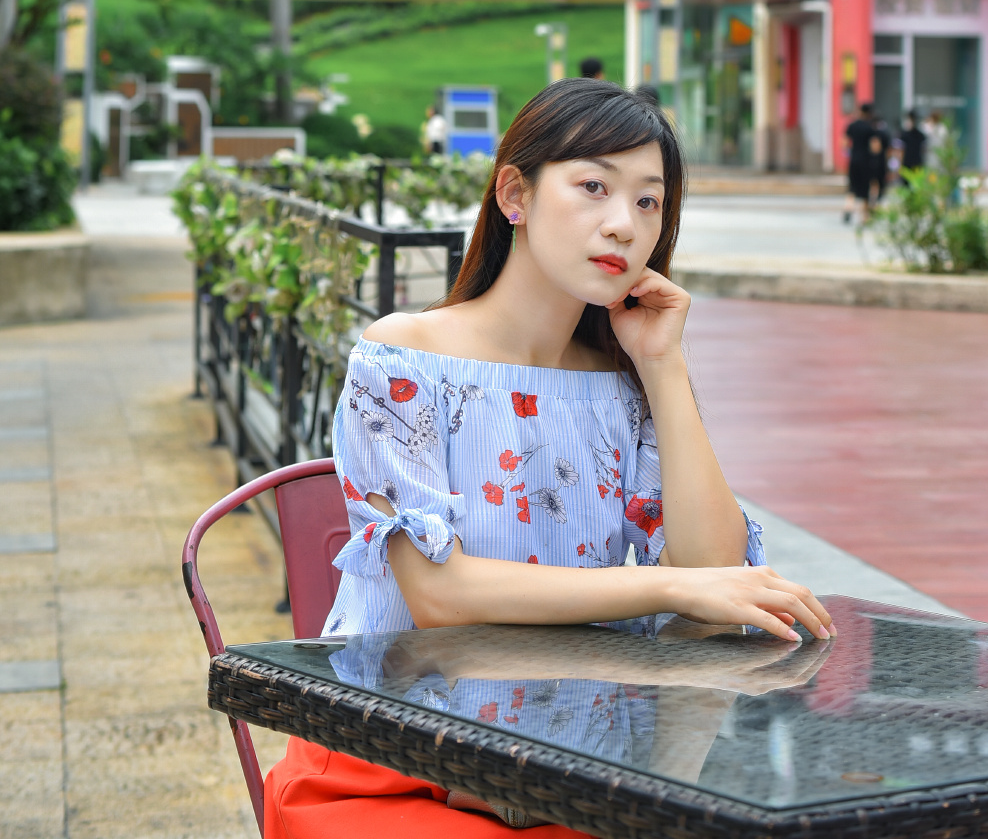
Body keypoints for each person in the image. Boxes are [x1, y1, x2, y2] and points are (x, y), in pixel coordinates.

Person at [264, 79, 833, 838]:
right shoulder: (404, 357)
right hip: (394, 761)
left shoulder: (622, 383)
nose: (623, 224)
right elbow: (441, 594)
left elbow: (714, 569)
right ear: (515, 195)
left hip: (567, 764)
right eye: (594, 186)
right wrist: (667, 584)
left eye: (648, 202)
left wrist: (662, 365)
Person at [843, 101, 876, 224]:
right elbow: (875, 147)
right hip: (866, 161)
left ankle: (848, 207)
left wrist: (849, 153)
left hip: (854, 160)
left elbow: (844, 143)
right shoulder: (870, 127)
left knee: (852, 187)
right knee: (865, 189)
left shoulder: (852, 126)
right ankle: (865, 217)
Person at [899, 110, 927, 178]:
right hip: (907, 163)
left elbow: (923, 150)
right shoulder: (904, 135)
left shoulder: (920, 135)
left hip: (916, 163)